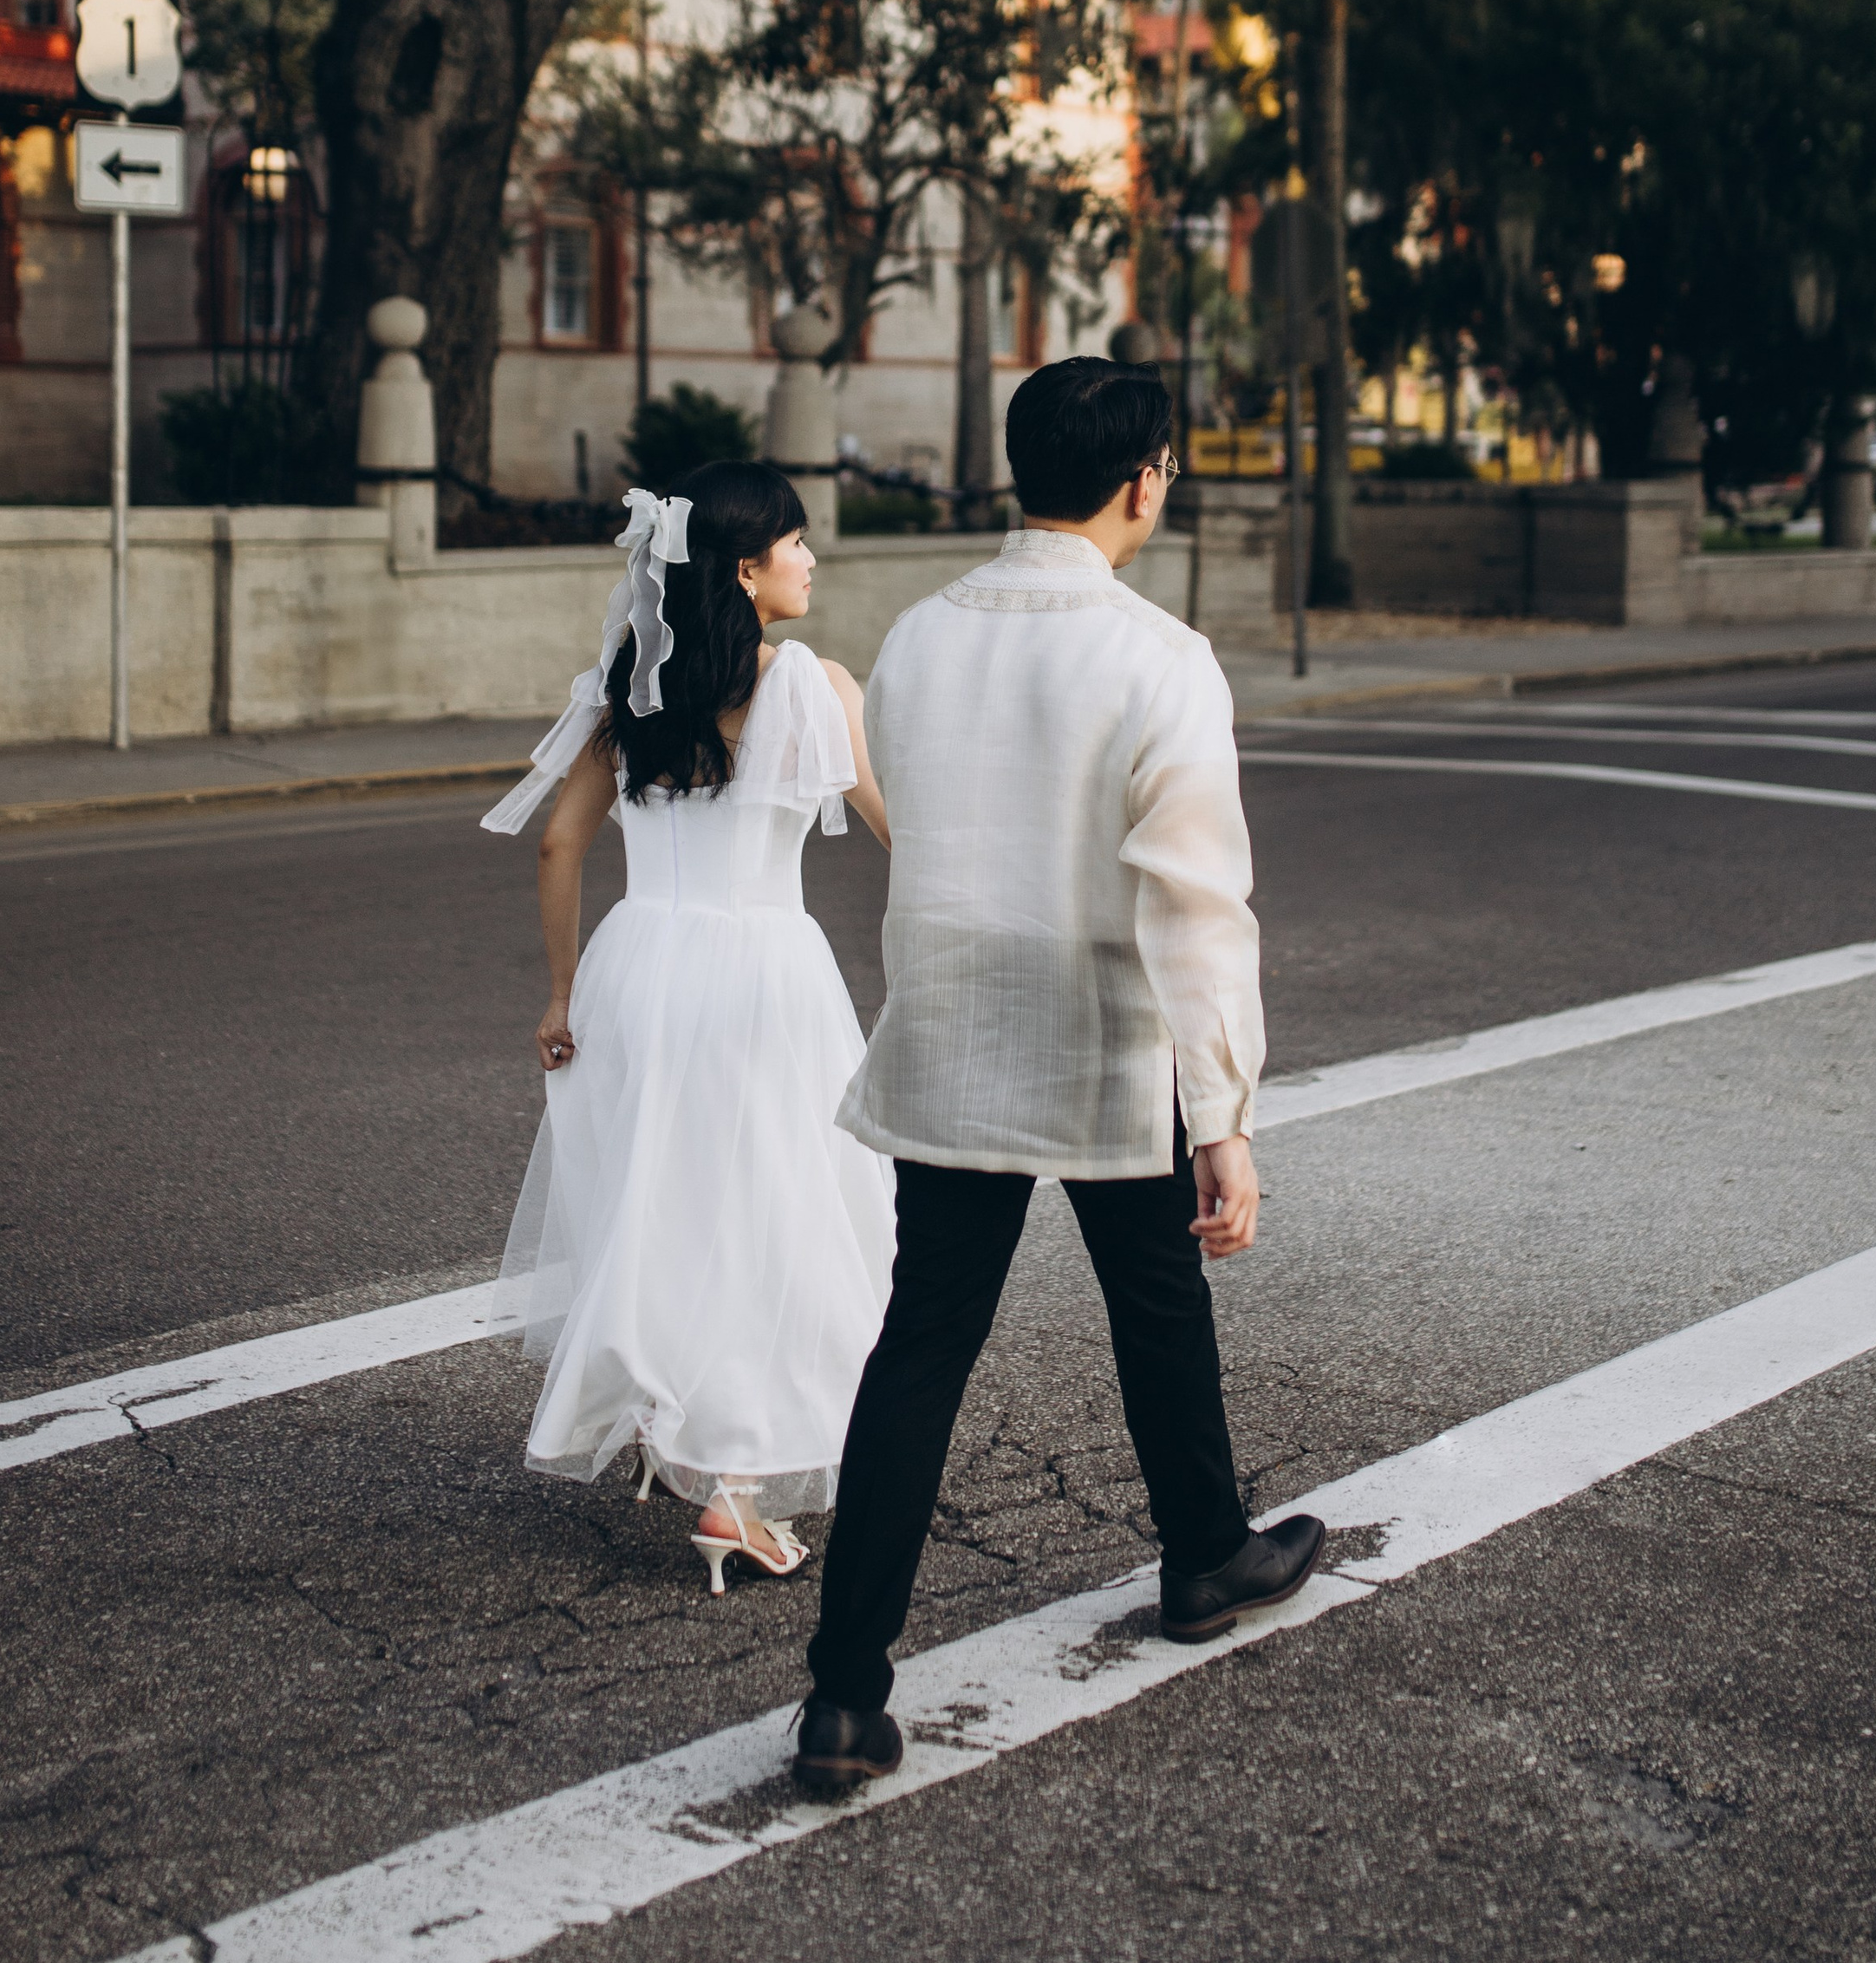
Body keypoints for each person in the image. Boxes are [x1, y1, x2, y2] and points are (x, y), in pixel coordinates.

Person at [792, 357, 1326, 1792]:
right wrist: (1226, 1118)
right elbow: (1198, 906)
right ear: (1146, 477)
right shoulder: (1159, 657)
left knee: (923, 1344)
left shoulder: (917, 637)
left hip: (957, 1024)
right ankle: (1203, 1556)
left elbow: (919, 812)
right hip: (1108, 1036)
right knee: (1158, 1305)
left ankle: (845, 1694)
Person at [481, 462, 894, 1592]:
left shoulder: (631, 687)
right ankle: (733, 1487)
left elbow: (561, 847)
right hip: (764, 973)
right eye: (797, 545)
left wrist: (563, 994)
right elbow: (895, 830)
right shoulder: (816, 685)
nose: (813, 561)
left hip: (639, 967)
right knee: (776, 1214)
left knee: (661, 1206)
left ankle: (680, 1424)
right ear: (750, 570)